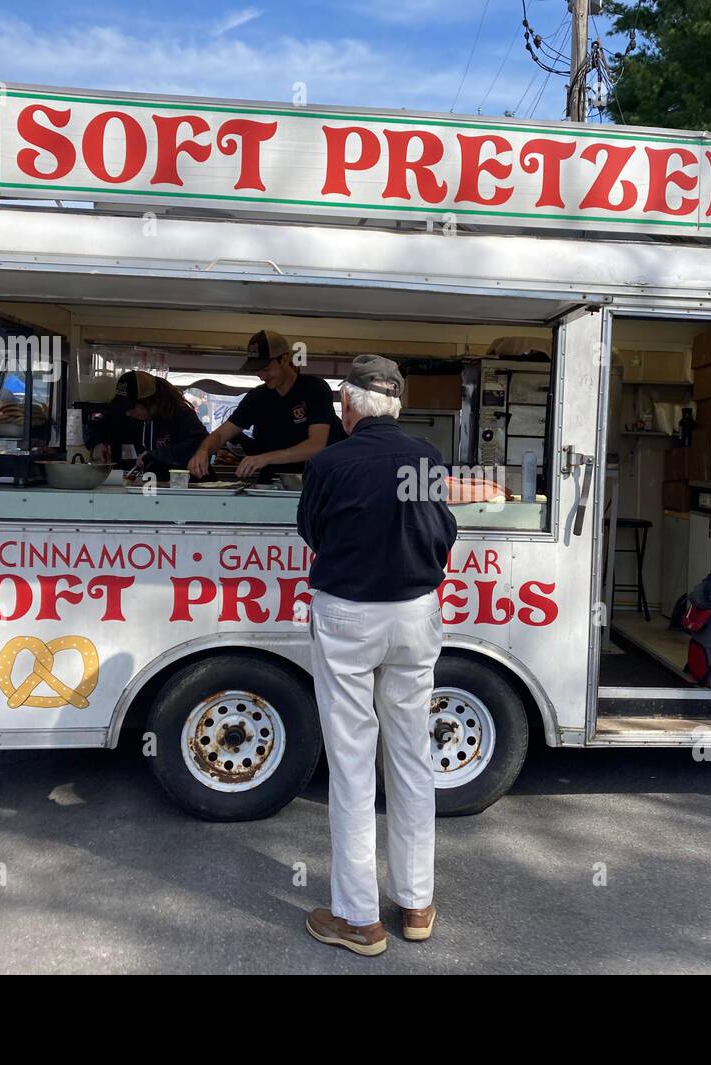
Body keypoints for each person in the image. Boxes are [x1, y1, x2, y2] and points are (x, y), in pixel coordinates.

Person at [297, 355, 458, 956]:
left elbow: (312, 531)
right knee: (413, 755)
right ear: (397, 404)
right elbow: (443, 530)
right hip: (415, 613)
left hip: (347, 614)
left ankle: (359, 919)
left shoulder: (329, 463)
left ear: (348, 407)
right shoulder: (426, 459)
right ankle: (416, 903)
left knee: (352, 761)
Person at [188, 330, 344, 482]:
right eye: (257, 371)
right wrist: (203, 451)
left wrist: (265, 458)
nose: (261, 376)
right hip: (271, 482)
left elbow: (316, 445)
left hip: (313, 481)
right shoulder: (257, 397)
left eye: (266, 369)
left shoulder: (314, 389)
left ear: (284, 360)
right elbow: (221, 434)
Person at [83, 371, 208, 479]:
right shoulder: (130, 416)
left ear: (150, 402)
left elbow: (201, 444)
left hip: (183, 484)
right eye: (124, 407)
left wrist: (154, 455)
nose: (127, 413)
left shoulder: (181, 415)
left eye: (131, 407)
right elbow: (97, 422)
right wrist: (97, 443)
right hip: (148, 482)